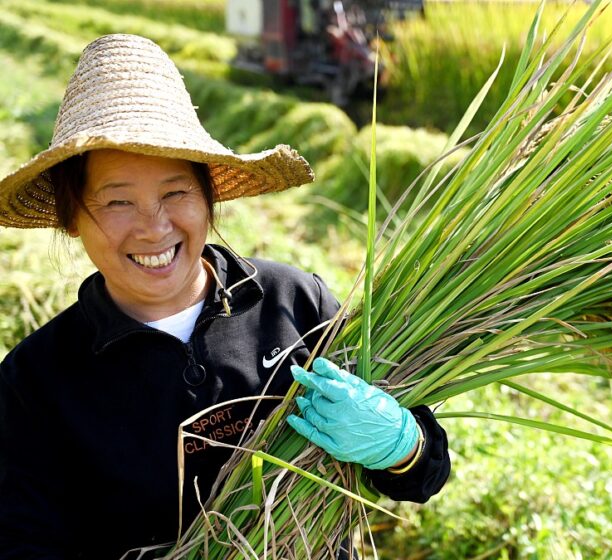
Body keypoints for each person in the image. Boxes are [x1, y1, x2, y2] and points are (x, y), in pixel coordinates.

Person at [0, 34, 450, 559]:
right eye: (118, 201)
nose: (155, 227)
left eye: (176, 193)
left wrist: (400, 445)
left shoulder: (294, 303)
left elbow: (425, 475)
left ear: (209, 195)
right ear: (72, 217)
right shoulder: (35, 382)